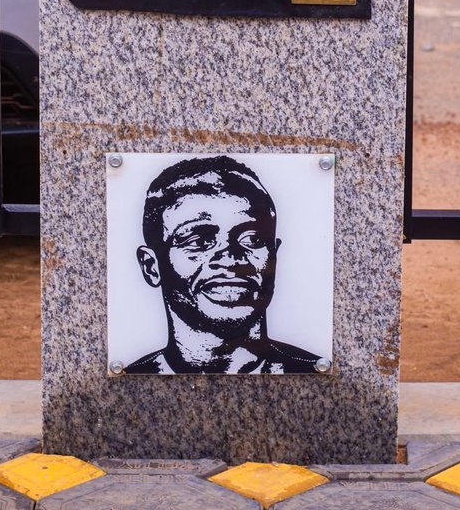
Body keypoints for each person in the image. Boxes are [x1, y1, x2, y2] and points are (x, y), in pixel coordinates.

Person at [126, 155, 319, 374]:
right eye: (199, 241)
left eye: (252, 239)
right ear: (151, 266)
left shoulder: (312, 370)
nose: (230, 259)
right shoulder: (126, 380)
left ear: (274, 254)